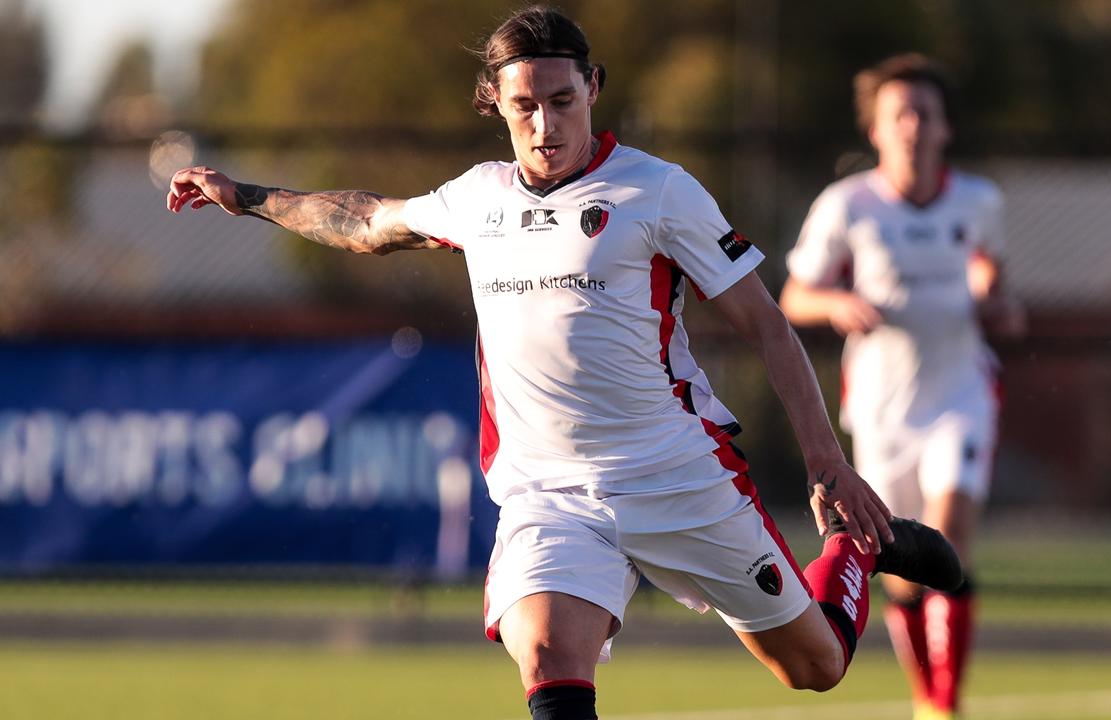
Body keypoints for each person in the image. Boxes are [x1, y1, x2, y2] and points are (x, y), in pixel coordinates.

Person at [166, 9, 960, 720]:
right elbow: (365, 221)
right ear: (495, 105)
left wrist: (827, 466)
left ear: (594, 89)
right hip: (548, 491)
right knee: (546, 652)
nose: (544, 124)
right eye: (523, 106)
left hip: (677, 475)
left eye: (561, 101)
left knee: (815, 668)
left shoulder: (658, 192)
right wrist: (247, 196)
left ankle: (857, 551)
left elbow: (766, 324)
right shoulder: (477, 199)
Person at [780, 53, 1024, 720]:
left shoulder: (979, 202)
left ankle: (945, 704)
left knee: (949, 543)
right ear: (877, 130)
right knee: (900, 566)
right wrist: (833, 304)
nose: (913, 125)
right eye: (899, 114)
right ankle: (926, 696)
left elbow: (998, 291)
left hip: (961, 398)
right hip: (883, 408)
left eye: (925, 113)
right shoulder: (847, 205)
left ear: (945, 128)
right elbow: (794, 294)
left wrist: (999, 304)